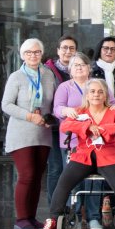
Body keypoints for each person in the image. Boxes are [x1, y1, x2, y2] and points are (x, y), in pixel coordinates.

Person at [37, 78, 115, 229]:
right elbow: (64, 127)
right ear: (87, 95)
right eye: (92, 91)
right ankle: (53, 221)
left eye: (100, 92)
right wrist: (86, 127)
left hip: (108, 155)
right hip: (83, 155)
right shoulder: (79, 111)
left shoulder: (113, 112)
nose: (96, 95)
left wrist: (103, 129)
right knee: (63, 182)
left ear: (105, 95)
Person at [2, 38, 58, 229]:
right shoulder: (16, 77)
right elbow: (6, 105)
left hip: (42, 133)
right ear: (22, 55)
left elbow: (53, 102)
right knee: (26, 175)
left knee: (37, 177)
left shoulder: (48, 74)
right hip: (21, 133)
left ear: (41, 54)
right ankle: (21, 219)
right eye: (28, 52)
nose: (33, 55)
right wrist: (29, 116)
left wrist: (51, 118)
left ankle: (32, 218)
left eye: (36, 52)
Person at [53, 52, 104, 229]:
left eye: (83, 64)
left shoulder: (98, 85)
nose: (79, 68)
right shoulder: (64, 87)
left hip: (96, 140)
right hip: (72, 140)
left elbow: (113, 103)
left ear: (89, 68)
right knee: (73, 180)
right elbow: (57, 108)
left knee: (94, 180)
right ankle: (74, 216)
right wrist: (66, 110)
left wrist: (113, 108)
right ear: (70, 70)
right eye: (75, 65)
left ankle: (93, 217)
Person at [44, 36, 77, 205]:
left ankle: (74, 207)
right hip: (54, 127)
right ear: (58, 51)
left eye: (71, 48)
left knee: (72, 169)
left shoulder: (80, 70)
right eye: (64, 48)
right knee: (55, 168)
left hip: (74, 128)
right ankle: (55, 207)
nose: (68, 51)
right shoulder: (47, 71)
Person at [90, 36, 115, 100]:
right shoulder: (91, 69)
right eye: (106, 48)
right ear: (100, 50)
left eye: (113, 49)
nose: (109, 51)